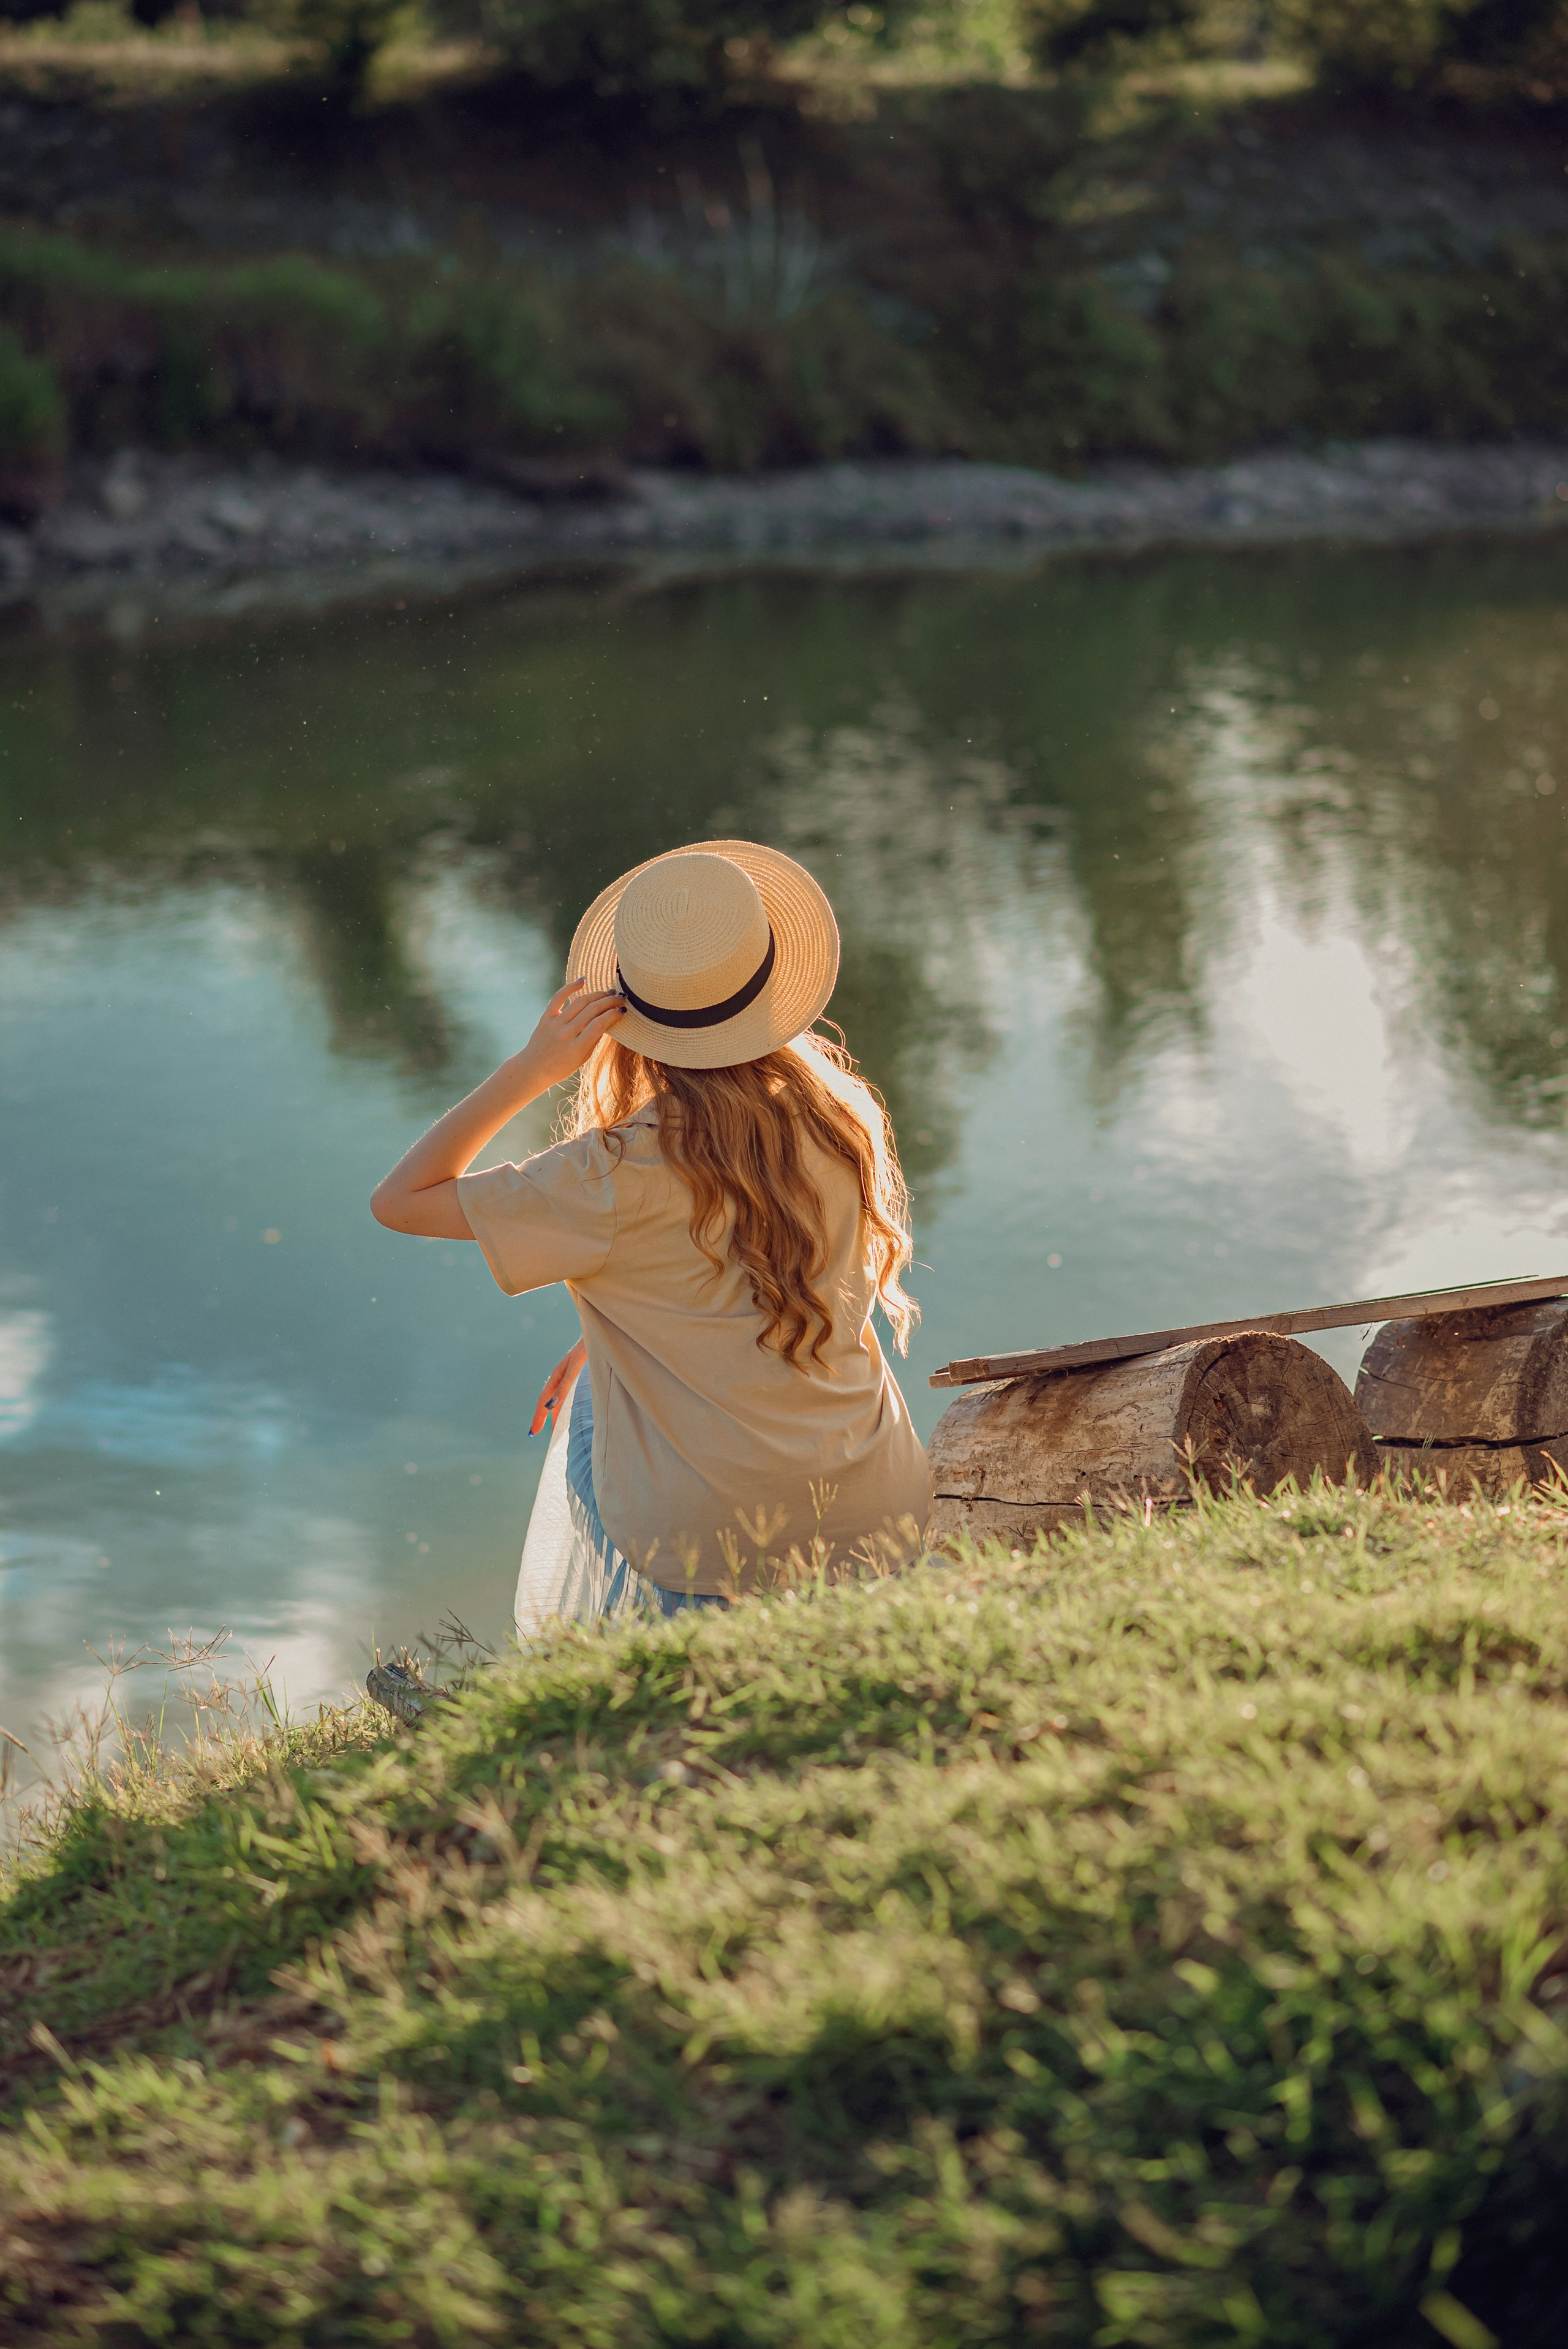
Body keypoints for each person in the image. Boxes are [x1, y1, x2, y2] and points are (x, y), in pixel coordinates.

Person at [370, 840, 931, 1625]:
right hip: (878, 1513)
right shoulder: (842, 1113)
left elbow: (400, 1200)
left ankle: (620, 1643)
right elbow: (769, 1277)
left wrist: (533, 1069)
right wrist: (603, 1339)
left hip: (718, 1546)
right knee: (605, 1363)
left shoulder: (610, 1173)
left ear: (624, 1013)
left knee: (596, 1402)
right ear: (769, 984)